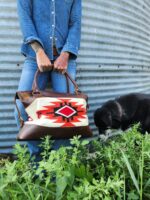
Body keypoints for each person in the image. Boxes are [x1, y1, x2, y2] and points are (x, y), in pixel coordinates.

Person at [14, 0, 82, 162]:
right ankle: (38, 163)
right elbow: (25, 18)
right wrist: (39, 51)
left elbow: (75, 22)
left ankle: (59, 163)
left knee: (68, 113)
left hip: (64, 58)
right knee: (22, 109)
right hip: (34, 56)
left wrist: (65, 54)